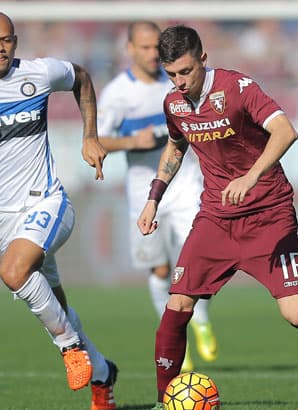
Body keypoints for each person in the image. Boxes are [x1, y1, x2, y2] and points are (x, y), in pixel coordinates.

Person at [137, 25, 298, 410]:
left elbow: (286, 131)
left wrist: (250, 177)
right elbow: (176, 146)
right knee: (178, 303)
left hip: (268, 214)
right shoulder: (175, 104)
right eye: (172, 75)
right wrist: (153, 199)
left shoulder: (238, 88)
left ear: (203, 58)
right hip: (216, 217)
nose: (180, 82)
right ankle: (165, 401)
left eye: (185, 72)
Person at [0, 11, 117, 410]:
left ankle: (68, 348)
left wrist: (90, 137)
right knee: (53, 301)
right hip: (5, 217)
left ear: (15, 41)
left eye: (6, 40)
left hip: (48, 202)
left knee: (12, 272)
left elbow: (81, 77)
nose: (0, 48)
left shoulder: (40, 74)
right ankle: (102, 372)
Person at [97, 21, 218, 372]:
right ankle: (179, 342)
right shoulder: (118, 93)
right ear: (130, 49)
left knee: (194, 258)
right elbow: (98, 140)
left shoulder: (182, 80)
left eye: (156, 48)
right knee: (161, 267)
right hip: (143, 189)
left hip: (186, 184)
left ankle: (201, 322)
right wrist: (134, 141)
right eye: (146, 48)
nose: (153, 54)